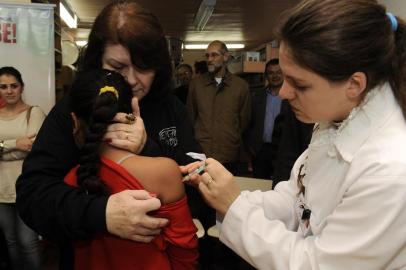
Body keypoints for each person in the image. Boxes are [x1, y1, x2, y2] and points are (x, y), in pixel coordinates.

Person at [182, 0, 406, 269]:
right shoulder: (335, 120)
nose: (285, 93)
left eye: (299, 84)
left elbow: (315, 264)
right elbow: (295, 202)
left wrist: (234, 208)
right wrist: (229, 193)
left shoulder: (390, 170)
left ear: (354, 84)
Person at [16, 2, 206, 269]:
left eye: (143, 68)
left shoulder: (169, 106)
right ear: (96, 61)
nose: (130, 80)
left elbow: (198, 186)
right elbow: (32, 194)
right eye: (117, 67)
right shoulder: (75, 107)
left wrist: (147, 149)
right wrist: (101, 213)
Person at [65, 69, 198, 270]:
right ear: (133, 112)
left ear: (74, 122)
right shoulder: (162, 172)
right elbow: (184, 250)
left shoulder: (70, 179)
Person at [0, 66, 45, 270]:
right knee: (10, 241)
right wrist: (14, 144)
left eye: (13, 86)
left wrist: (2, 147)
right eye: (3, 87)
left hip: (27, 188)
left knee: (28, 242)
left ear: (21, 88)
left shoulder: (34, 113)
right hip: (0, 190)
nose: (9, 91)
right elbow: (22, 146)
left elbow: (32, 148)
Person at [187, 40, 251, 175]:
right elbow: (191, 117)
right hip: (203, 153)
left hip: (230, 154)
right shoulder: (196, 85)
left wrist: (230, 137)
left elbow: (244, 120)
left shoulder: (240, 86)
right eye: (207, 56)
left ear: (226, 56)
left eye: (214, 55)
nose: (209, 59)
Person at [247, 59, 284, 179]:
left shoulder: (291, 96)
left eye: (278, 72)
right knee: (260, 184)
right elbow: (249, 122)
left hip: (282, 149)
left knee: (281, 184)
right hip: (260, 150)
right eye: (271, 73)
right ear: (266, 75)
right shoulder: (257, 95)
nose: (275, 76)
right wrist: (251, 147)